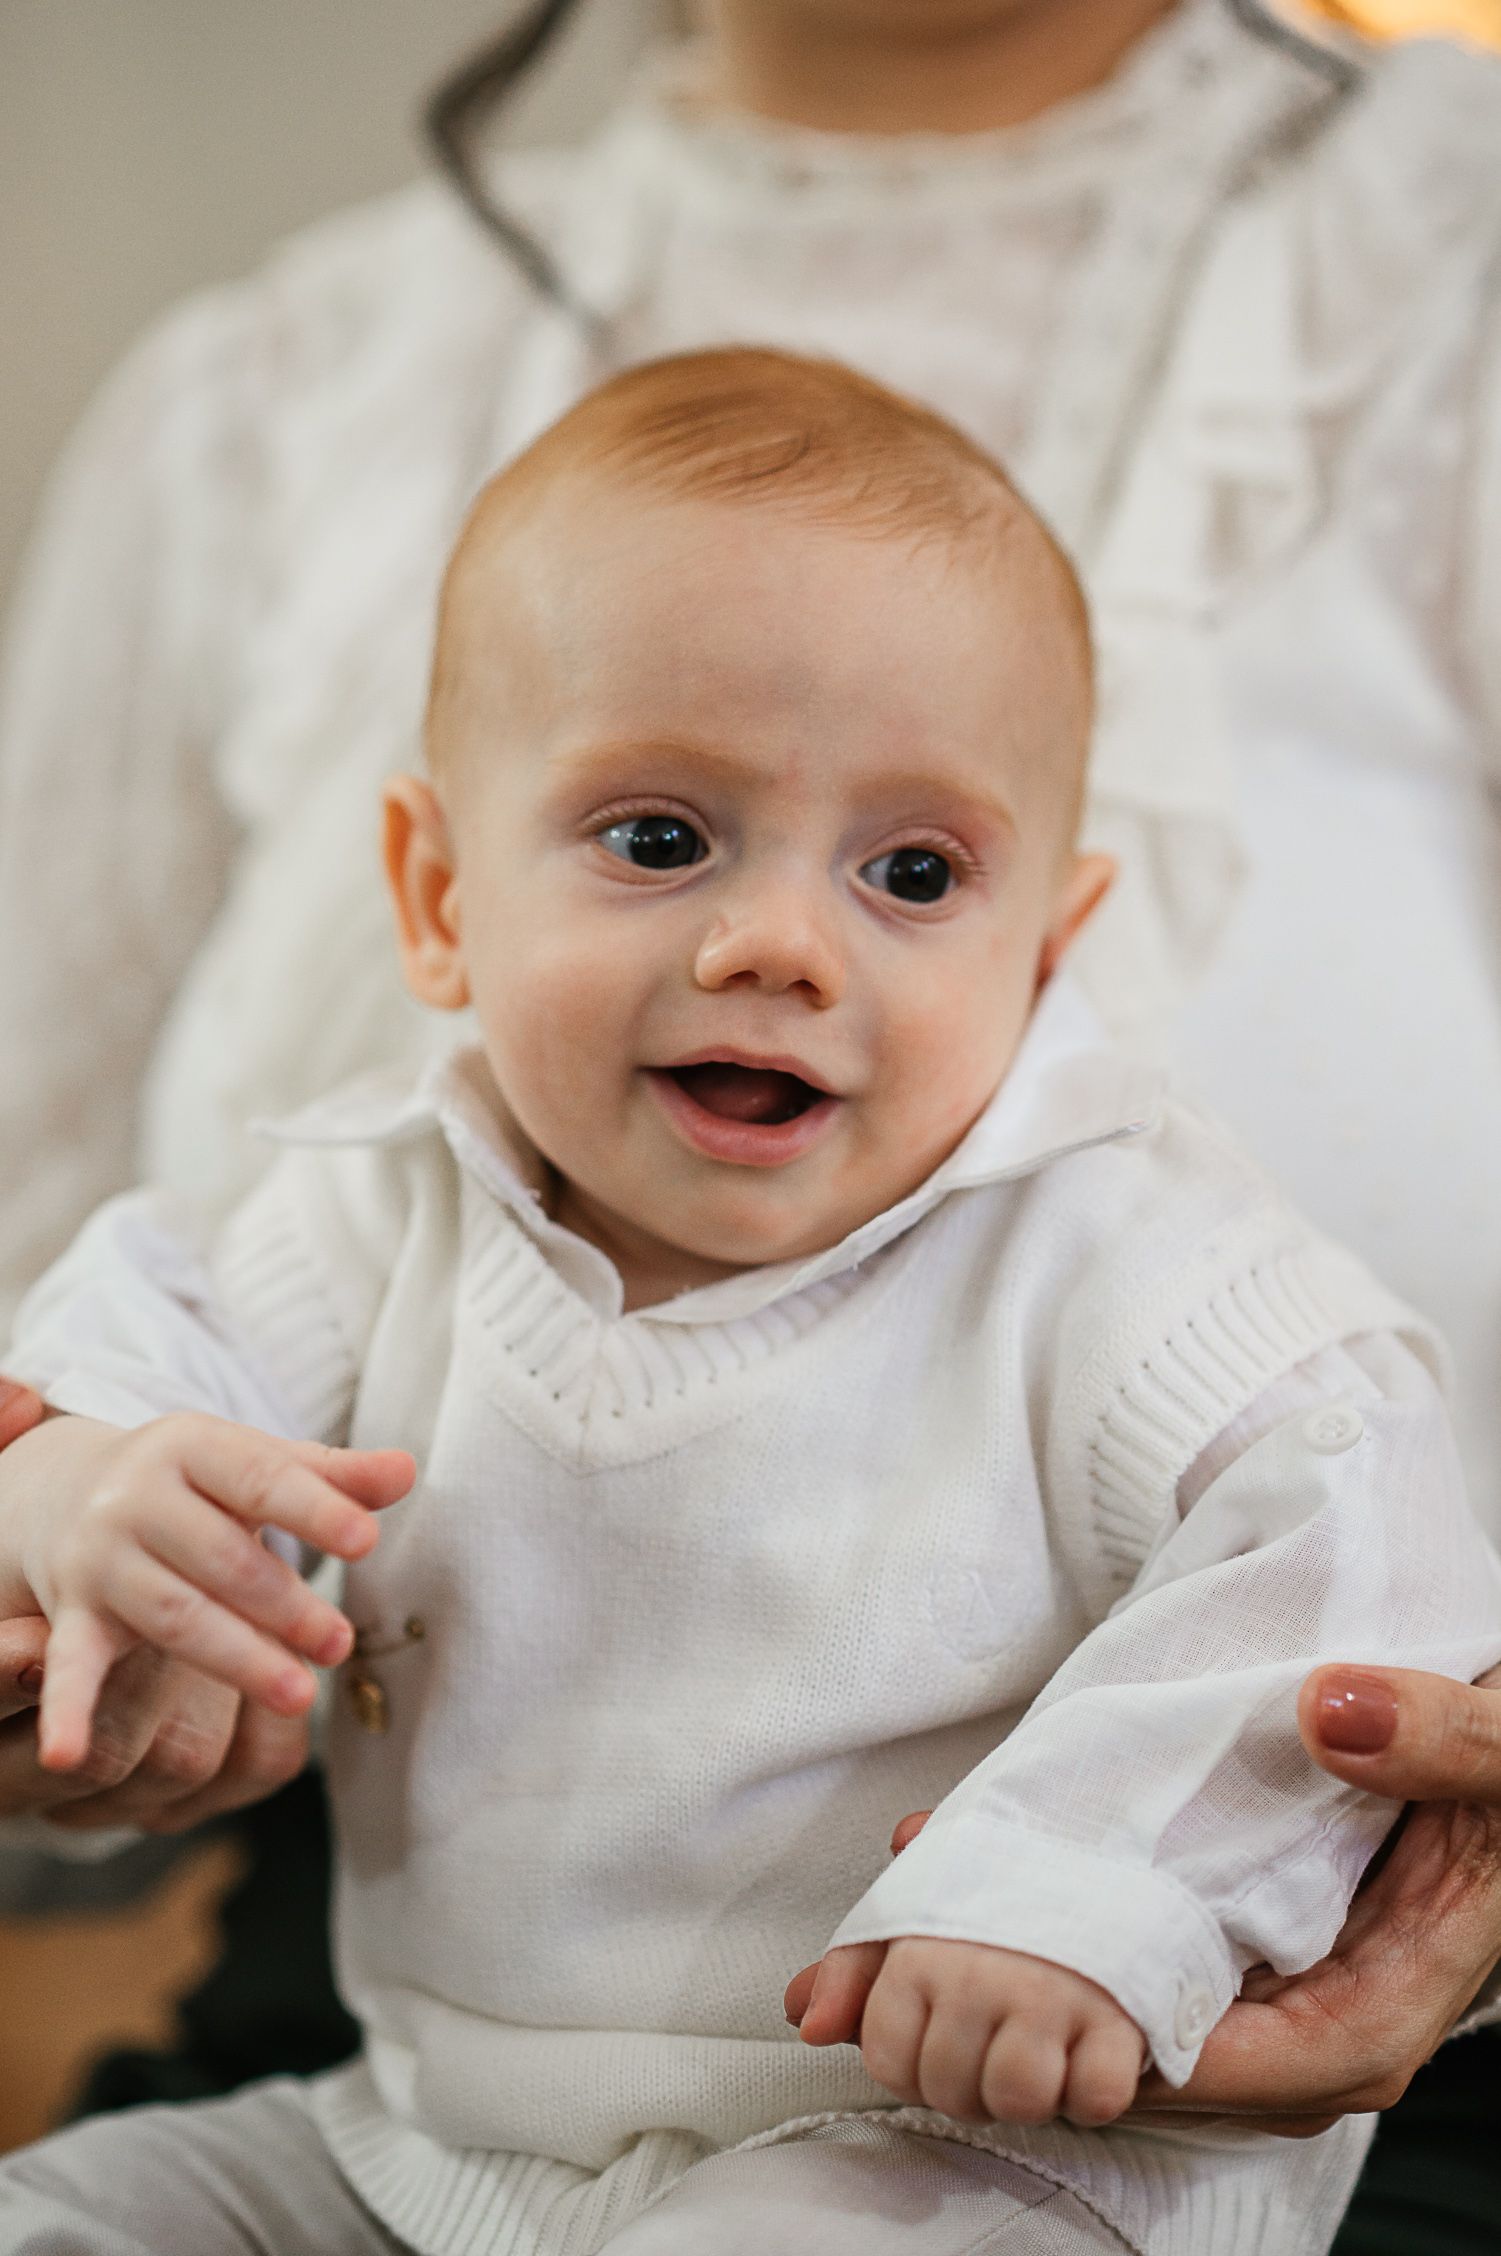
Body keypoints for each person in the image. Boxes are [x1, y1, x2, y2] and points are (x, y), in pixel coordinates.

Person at [3, 0, 1501, 2234]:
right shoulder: (392, 1194)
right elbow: (126, 1358)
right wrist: (85, 1525)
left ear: (1054, 945)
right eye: (656, 839)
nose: (782, 947)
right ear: (429, 892)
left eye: (912, 874)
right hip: (412, 2090)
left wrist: (1092, 1892)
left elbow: (1323, 1562)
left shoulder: (1129, 1260)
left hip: (990, 2101)